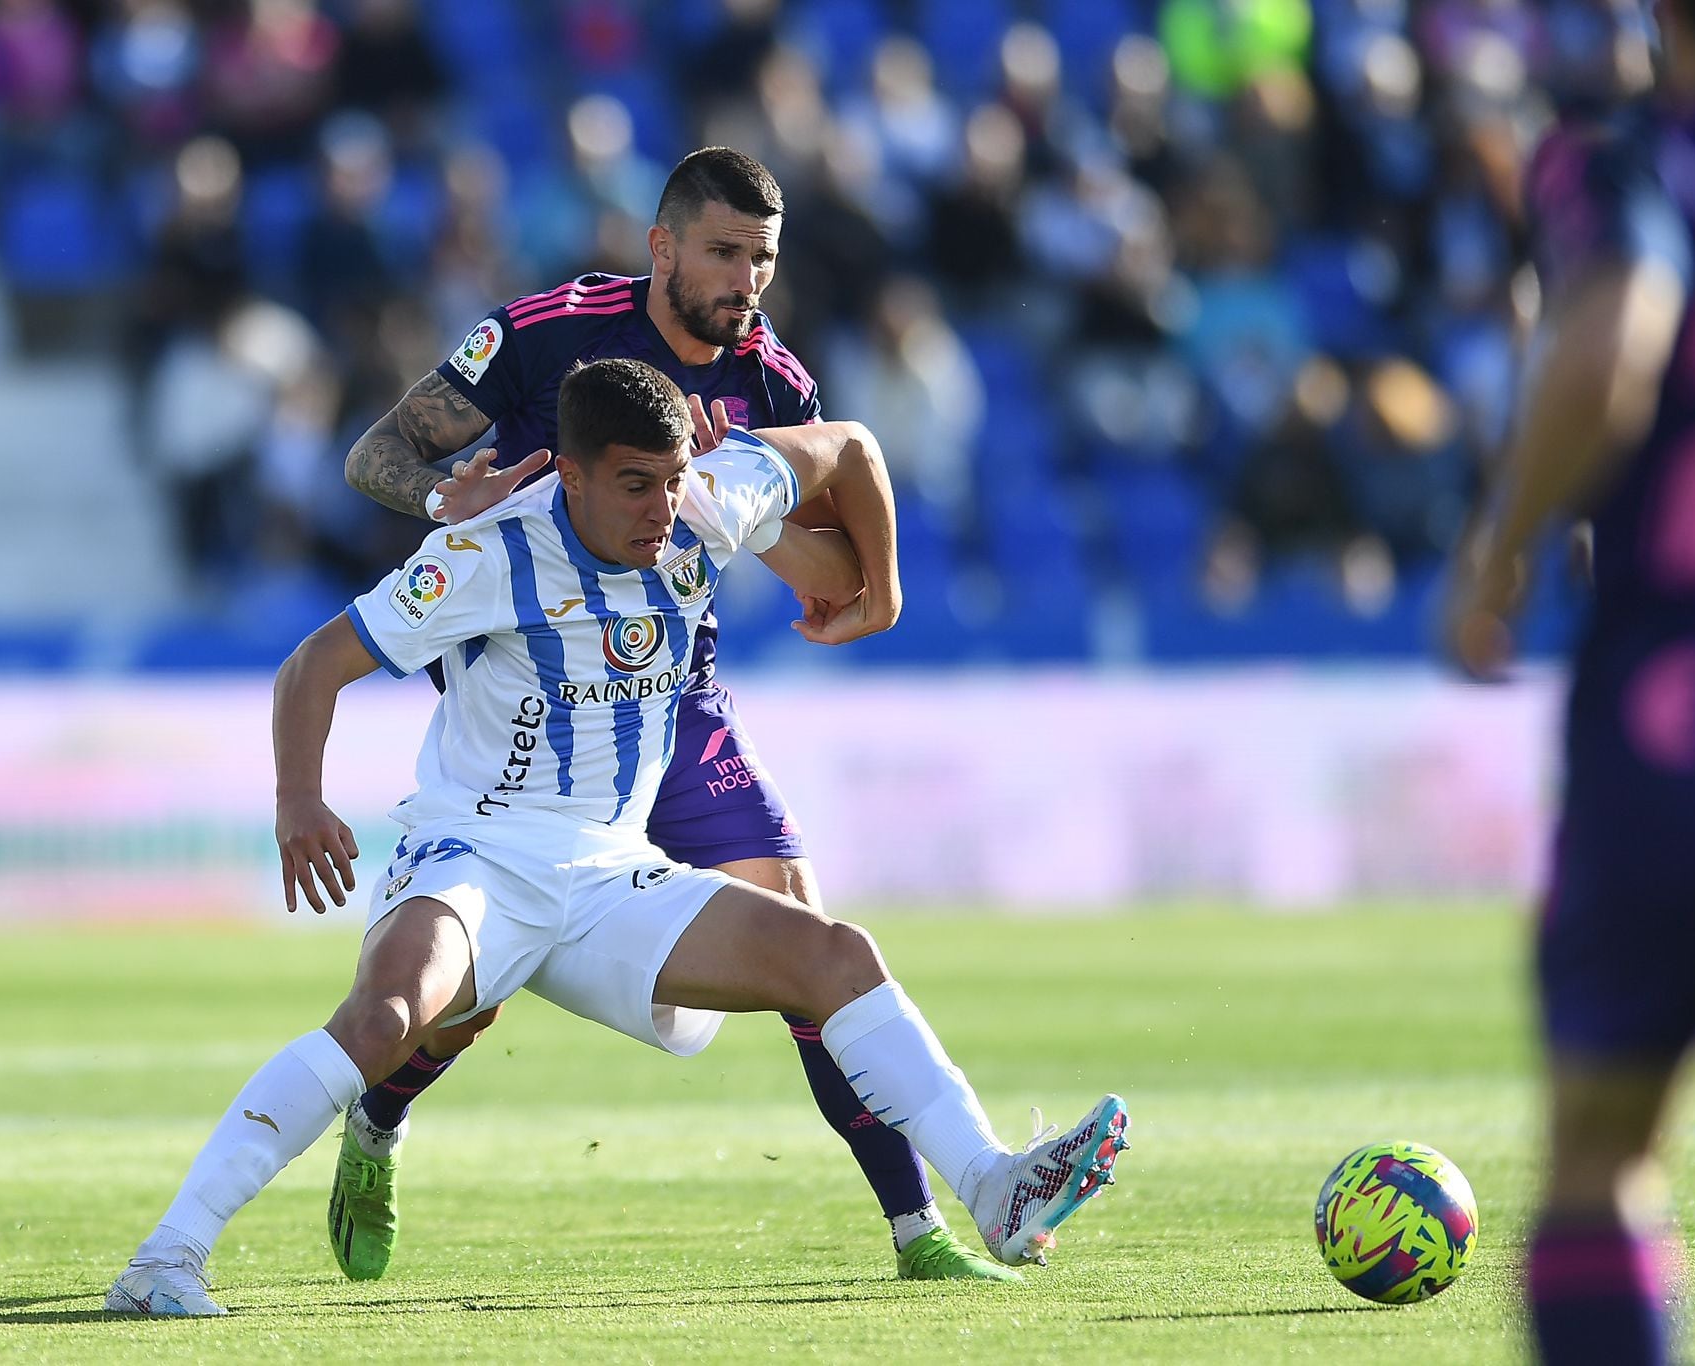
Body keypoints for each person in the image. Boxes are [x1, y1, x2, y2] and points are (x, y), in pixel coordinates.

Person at [104, 360, 1131, 1316]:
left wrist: (882, 586)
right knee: (384, 1016)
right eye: (633, 484)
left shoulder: (704, 499)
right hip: (477, 854)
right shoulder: (483, 552)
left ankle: (991, 1188)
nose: (659, 508)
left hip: (608, 871)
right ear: (571, 476)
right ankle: (166, 1256)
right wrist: (299, 801)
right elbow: (311, 667)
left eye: (671, 478)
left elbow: (851, 445)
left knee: (835, 952)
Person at [337, 147, 1013, 1281]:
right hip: (530, 708)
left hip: (674, 697)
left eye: (762, 258)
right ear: (662, 249)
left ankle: (917, 1226)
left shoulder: (775, 386)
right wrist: (439, 496)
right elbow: (379, 451)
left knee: (808, 934)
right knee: (460, 1005)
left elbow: (829, 565)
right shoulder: (550, 329)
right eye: (721, 251)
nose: (744, 279)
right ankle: (377, 1120)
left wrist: (726, 505)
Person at [1443, 4, 1695, 1360]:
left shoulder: (1639, 165)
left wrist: (1500, 548)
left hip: (1682, 702)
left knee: (1606, 1143)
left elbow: (1615, 345)